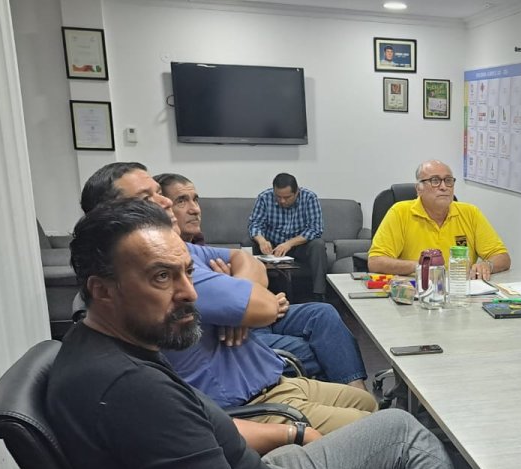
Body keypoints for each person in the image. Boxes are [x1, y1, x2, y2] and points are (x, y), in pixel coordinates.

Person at [50, 198, 521, 469]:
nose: (189, 293)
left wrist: (291, 431)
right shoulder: (129, 391)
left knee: (402, 429)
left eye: (186, 273)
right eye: (161, 278)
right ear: (102, 290)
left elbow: (201, 428)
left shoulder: (109, 345)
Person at [80, 163, 375, 434]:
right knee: (380, 426)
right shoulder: (163, 267)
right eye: (148, 199)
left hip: (267, 375)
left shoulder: (185, 250)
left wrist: (235, 297)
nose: (169, 204)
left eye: (161, 194)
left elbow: (247, 262)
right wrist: (246, 302)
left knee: (363, 393)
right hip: (249, 399)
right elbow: (264, 304)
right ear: (112, 217)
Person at [156, 172, 369, 388]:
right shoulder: (171, 259)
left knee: (323, 313)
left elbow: (252, 264)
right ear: (160, 209)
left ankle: (359, 392)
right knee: (317, 348)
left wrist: (237, 291)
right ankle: (346, 403)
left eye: (195, 200)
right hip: (228, 336)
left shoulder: (197, 246)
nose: (195, 209)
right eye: (181, 201)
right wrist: (243, 299)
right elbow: (235, 291)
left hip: (253, 312)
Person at [368, 160, 510, 280]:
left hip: (460, 293)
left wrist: (487, 265)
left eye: (448, 181)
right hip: (416, 292)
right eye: (434, 181)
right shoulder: (400, 212)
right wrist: (420, 267)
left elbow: (502, 257)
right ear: (419, 189)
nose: (443, 187)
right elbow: (375, 261)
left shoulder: (470, 213)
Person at [248, 173, 328, 299]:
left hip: (299, 246)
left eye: (287, 197)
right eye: (278, 197)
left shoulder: (309, 198)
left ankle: (319, 294)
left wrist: (289, 243)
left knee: (318, 244)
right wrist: (261, 240)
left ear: (297, 192)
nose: (282, 201)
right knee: (251, 244)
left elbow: (315, 229)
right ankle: (254, 295)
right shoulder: (264, 197)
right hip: (272, 247)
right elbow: (255, 224)